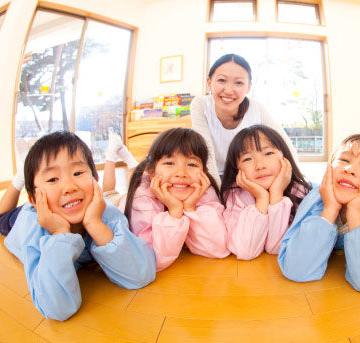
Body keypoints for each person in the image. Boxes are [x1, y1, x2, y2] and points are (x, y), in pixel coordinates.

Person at [2, 131, 156, 321]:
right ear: (34, 197)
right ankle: (20, 177)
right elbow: (57, 308)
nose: (69, 187)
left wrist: (94, 223)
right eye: (52, 179)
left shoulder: (102, 208)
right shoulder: (32, 226)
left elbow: (141, 273)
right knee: (0, 219)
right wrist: (59, 233)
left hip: (60, 204)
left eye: (78, 173)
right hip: (22, 217)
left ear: (95, 180)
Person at [278, 133, 360, 293]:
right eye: (344, 160)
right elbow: (296, 268)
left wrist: (355, 214)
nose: (350, 169)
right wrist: (330, 209)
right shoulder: (316, 199)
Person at [123, 128, 230, 272]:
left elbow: (218, 248)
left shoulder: (203, 191)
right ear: (151, 171)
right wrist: (174, 212)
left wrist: (190, 207)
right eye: (169, 163)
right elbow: (151, 259)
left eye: (192, 164)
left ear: (204, 172)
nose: (181, 173)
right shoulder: (143, 197)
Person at [191, 53, 298, 186]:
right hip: (214, 174)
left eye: (239, 83)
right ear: (209, 82)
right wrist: (219, 193)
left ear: (248, 87)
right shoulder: (200, 104)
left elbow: (285, 145)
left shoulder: (256, 108)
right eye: (222, 80)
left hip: (249, 174)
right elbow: (205, 150)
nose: (229, 90)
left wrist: (295, 179)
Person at [220, 125, 311, 260]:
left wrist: (276, 195)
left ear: (284, 157)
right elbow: (245, 251)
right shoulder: (235, 196)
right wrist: (261, 199)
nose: (260, 165)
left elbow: (277, 248)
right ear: (237, 169)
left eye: (268, 154)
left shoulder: (300, 191)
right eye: (247, 159)